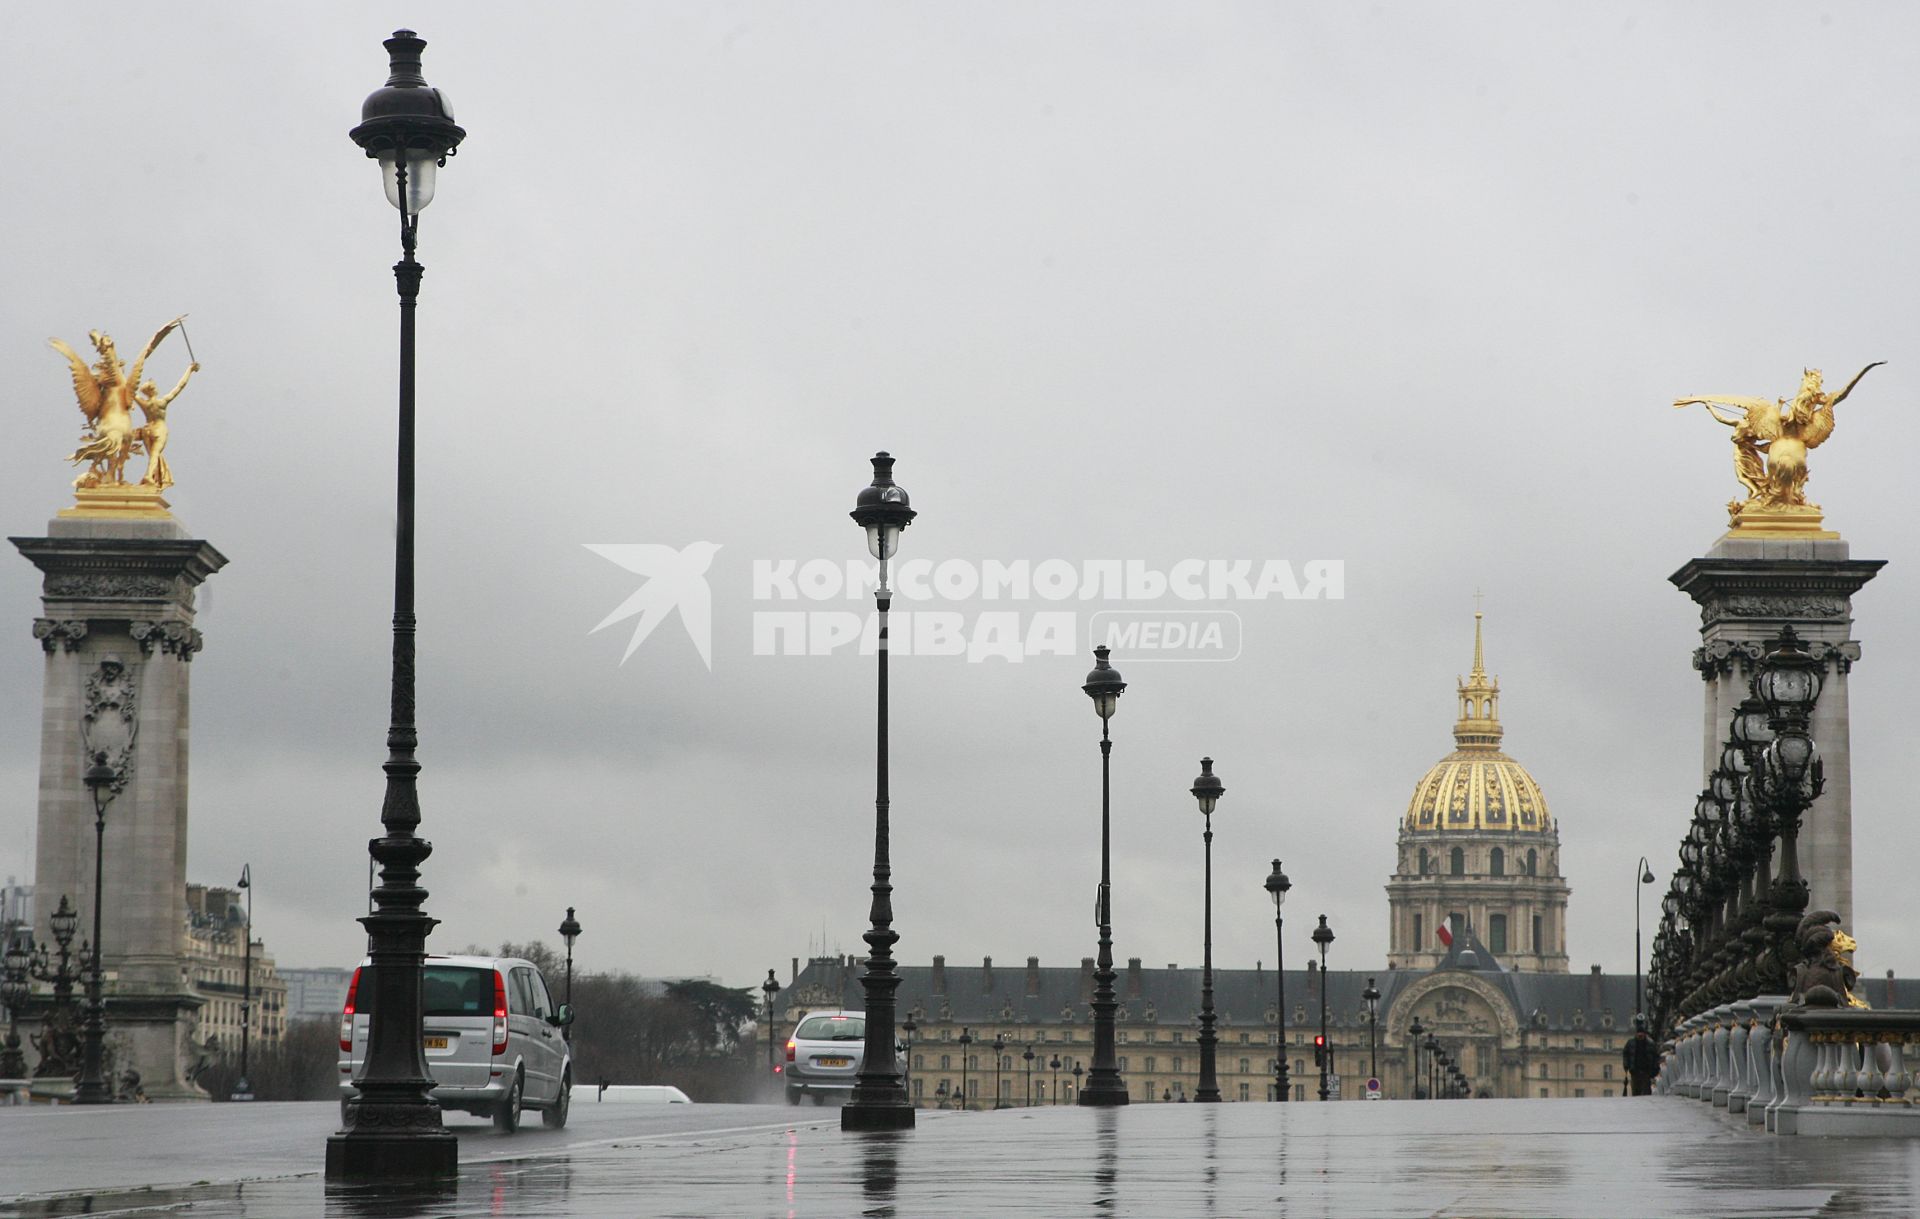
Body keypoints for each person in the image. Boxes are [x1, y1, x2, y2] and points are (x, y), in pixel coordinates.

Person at [1623, 1017, 1660, 1096]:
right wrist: (1626, 1065)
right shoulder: (1631, 1043)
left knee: (1645, 1091)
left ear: (1644, 1034)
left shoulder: (1650, 1044)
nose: (1640, 1035)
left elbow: (1655, 1056)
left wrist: (1655, 1068)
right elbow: (1625, 1054)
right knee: (1636, 1091)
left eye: (1641, 1033)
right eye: (1638, 1033)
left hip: (1646, 1071)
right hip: (1635, 1071)